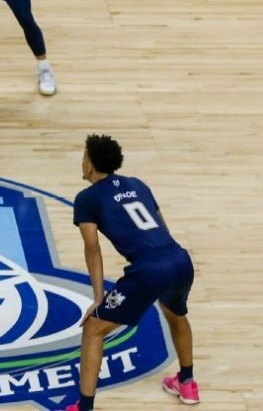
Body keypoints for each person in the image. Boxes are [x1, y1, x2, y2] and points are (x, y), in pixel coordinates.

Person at [65, 135, 198, 411]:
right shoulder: (137, 184)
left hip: (149, 270)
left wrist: (98, 299)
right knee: (175, 313)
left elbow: (92, 248)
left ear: (90, 164)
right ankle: (187, 383)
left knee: (94, 328)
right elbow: (162, 227)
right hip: (179, 259)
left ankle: (84, 407)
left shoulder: (87, 199)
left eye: (84, 156)